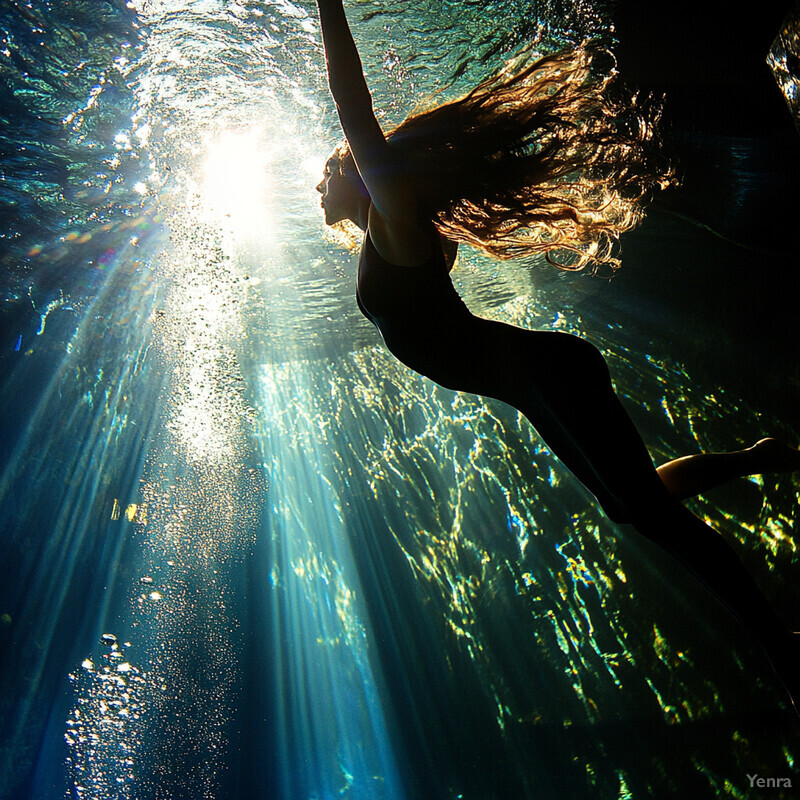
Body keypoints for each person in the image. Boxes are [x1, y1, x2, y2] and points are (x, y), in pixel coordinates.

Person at [314, 0, 800, 713]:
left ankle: (781, 652)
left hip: (547, 378)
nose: (316, 186)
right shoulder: (397, 235)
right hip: (541, 384)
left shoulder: (397, 224)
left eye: (326, 172)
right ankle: (760, 456)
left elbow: (349, 98)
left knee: (660, 524)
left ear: (361, 171)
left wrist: (327, 5)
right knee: (638, 509)